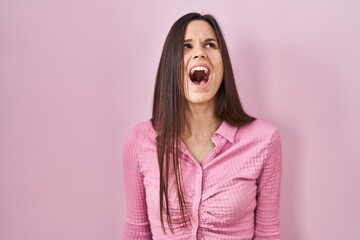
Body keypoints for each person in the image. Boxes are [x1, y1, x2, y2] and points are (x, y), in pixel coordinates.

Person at [123, 12, 282, 240]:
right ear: (171, 65)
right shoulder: (140, 141)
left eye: (210, 44)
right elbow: (136, 232)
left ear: (223, 63)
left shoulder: (264, 141)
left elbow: (268, 235)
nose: (199, 52)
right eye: (186, 46)